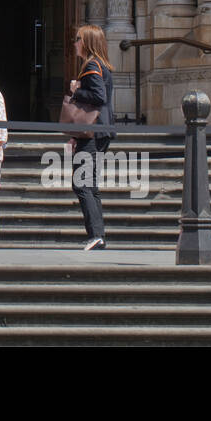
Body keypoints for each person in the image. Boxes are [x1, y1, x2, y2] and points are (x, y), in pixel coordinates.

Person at [69, 23, 114, 251]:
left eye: (77, 38)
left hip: (93, 133)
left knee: (82, 184)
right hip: (99, 131)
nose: (74, 43)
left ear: (86, 42)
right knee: (90, 185)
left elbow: (98, 96)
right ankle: (98, 235)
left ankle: (95, 234)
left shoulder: (92, 65)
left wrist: (76, 89)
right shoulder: (101, 65)